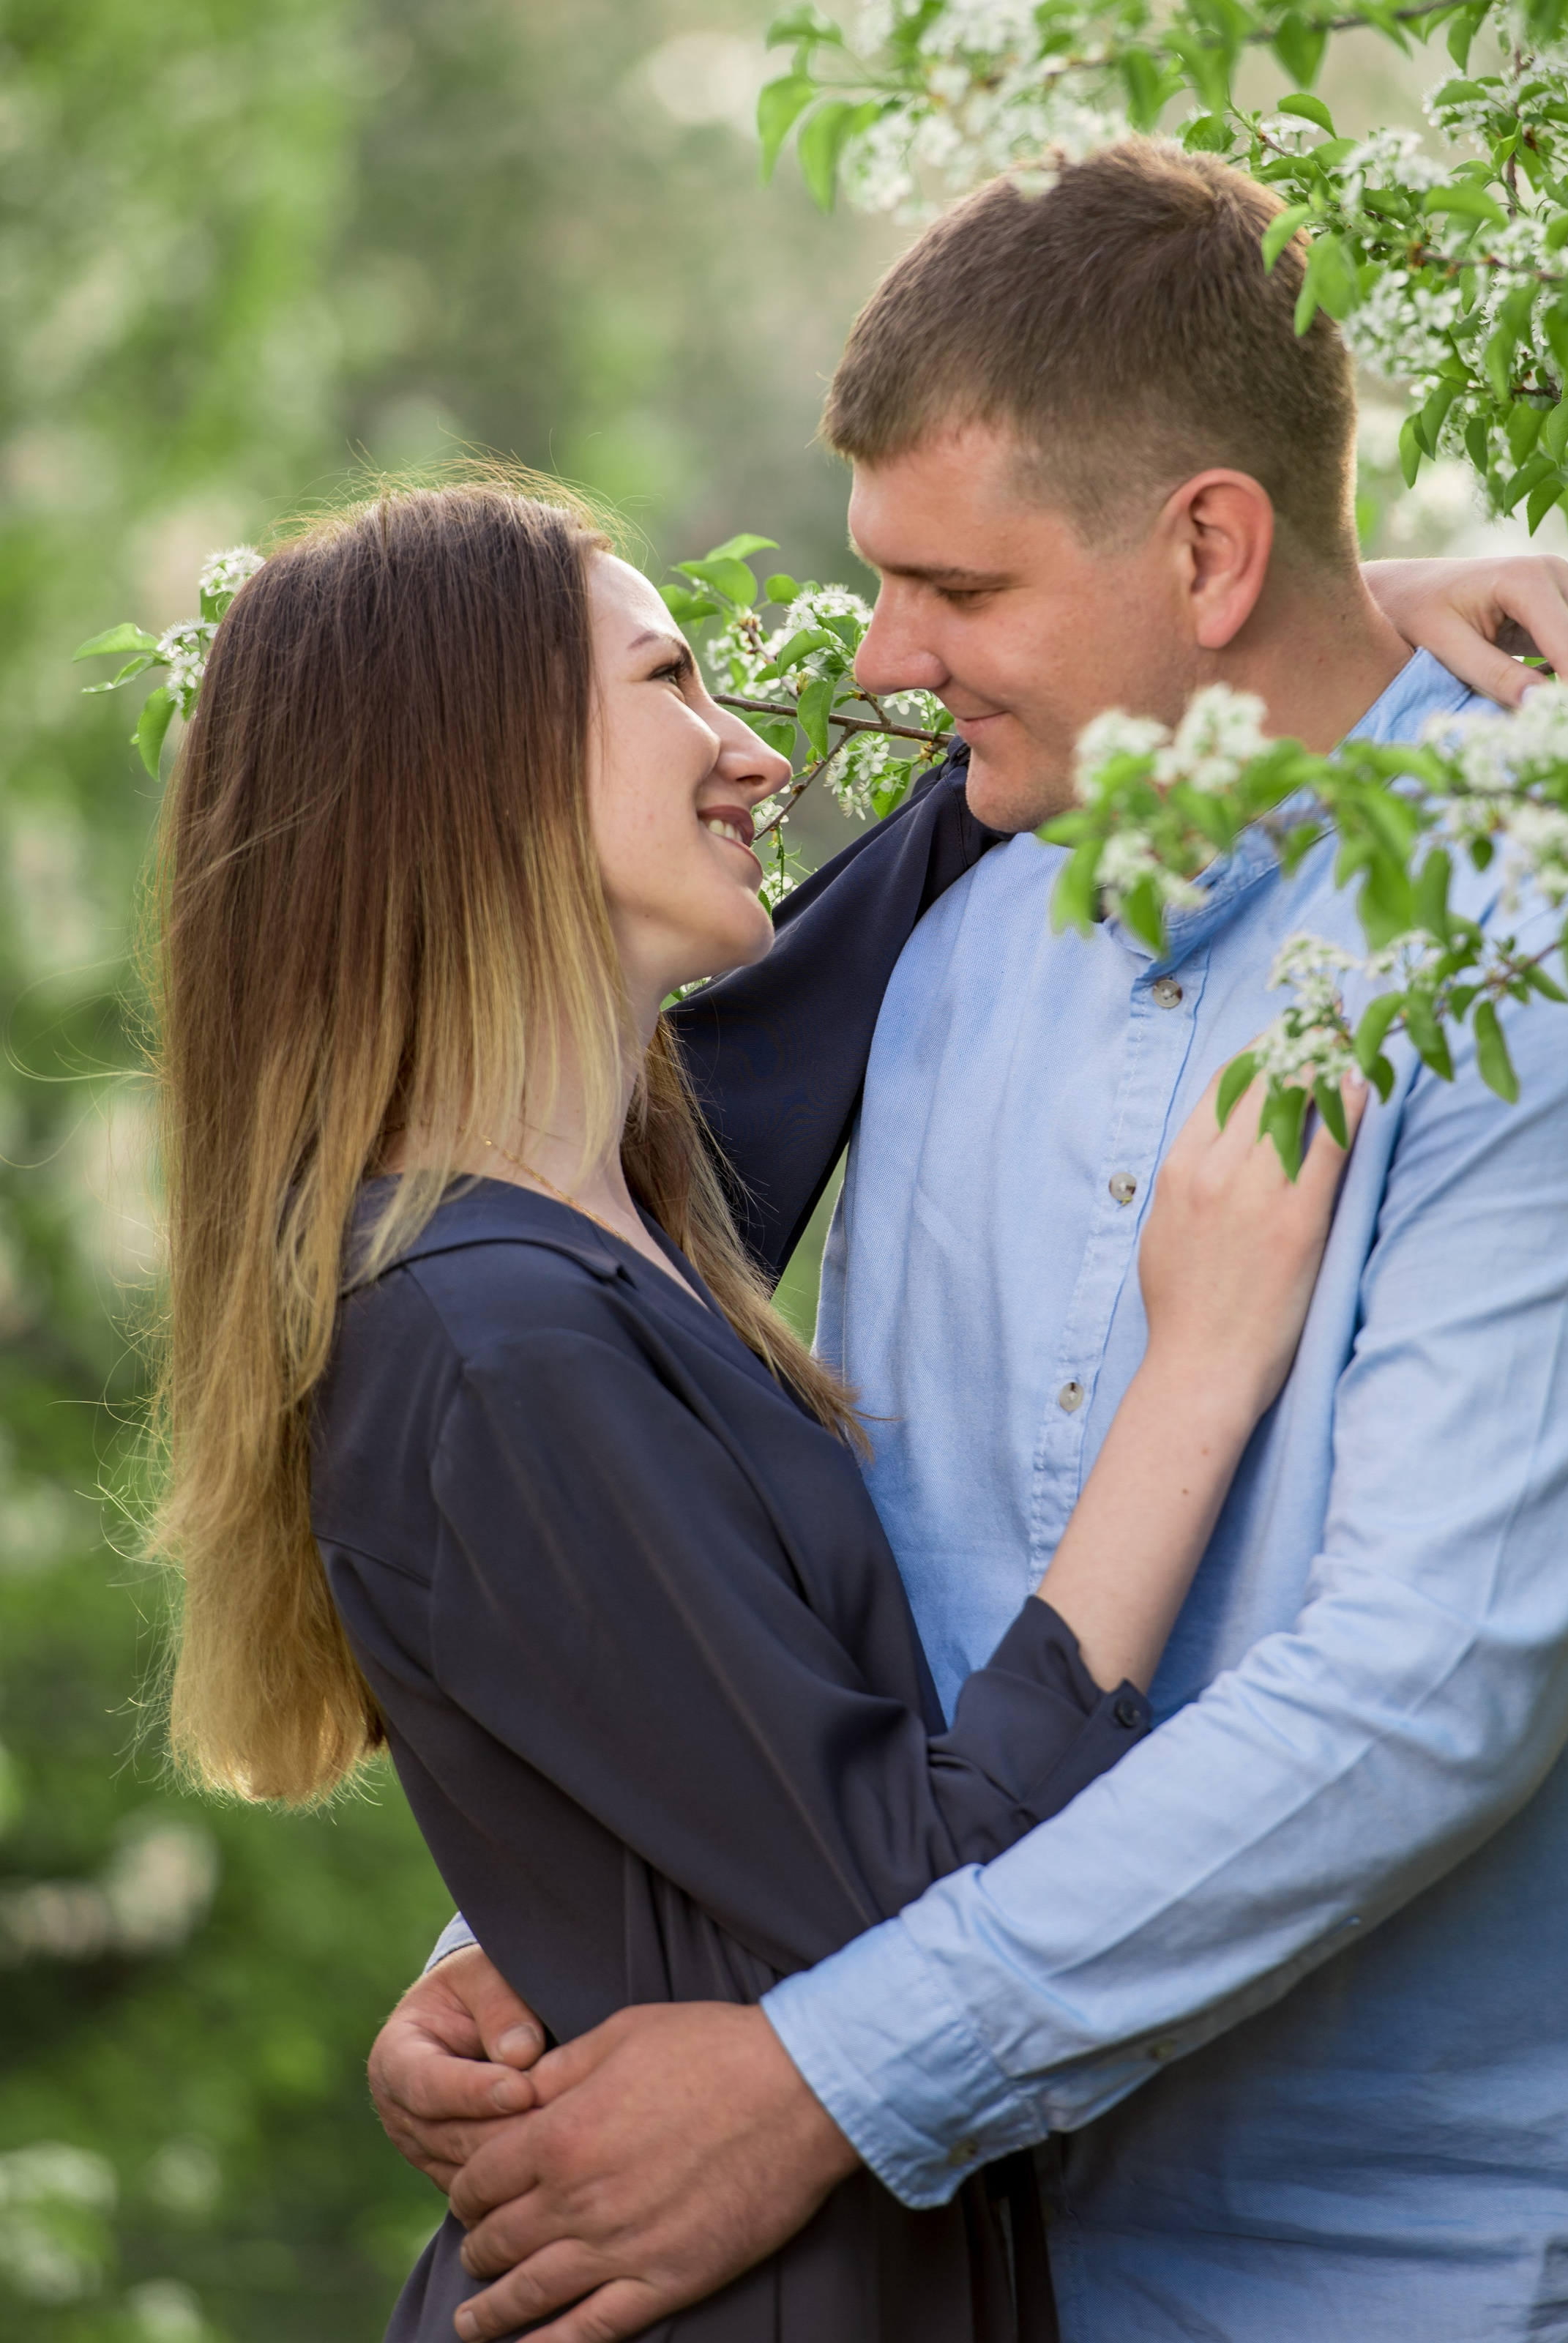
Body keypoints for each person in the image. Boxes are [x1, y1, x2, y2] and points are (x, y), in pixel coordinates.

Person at [371, 146, 1568, 2343]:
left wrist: (817, 2086)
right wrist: (546, 1917)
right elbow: (860, 1580)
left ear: (1211, 552)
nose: (884, 662)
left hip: (1493, 2279)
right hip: (1016, 2277)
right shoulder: (964, 941)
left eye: (955, 586)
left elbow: (1424, 1691)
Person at [150, 475, 1385, 2342]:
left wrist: (1344, 627)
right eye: (672, 682)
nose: (758, 753)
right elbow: (915, 1907)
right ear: (479, 772)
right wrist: (1196, 1370)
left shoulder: (606, 1224)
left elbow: (921, 854)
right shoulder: (495, 1338)